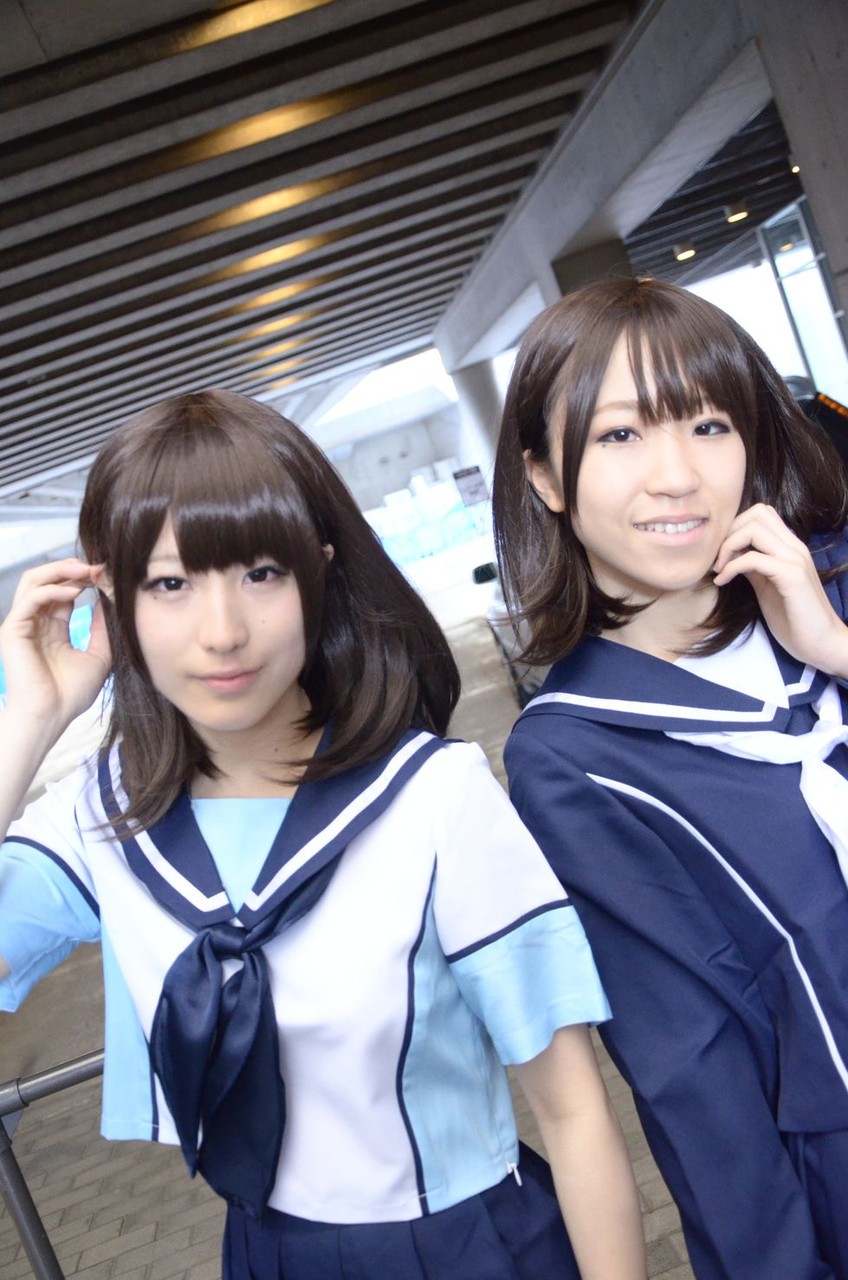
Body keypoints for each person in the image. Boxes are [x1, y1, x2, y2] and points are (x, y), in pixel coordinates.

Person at [0, 390, 646, 1280]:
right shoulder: (105, 816)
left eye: (262, 573)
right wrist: (30, 722)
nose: (223, 633)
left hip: (461, 1246)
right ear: (112, 597)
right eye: (171, 583)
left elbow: (574, 1114)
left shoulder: (431, 798)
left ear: (319, 573)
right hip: (263, 1254)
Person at [492, 274, 848, 1280]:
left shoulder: (831, 598)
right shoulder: (574, 756)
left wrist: (833, 648)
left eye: (707, 424)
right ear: (545, 476)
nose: (677, 475)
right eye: (619, 435)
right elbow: (696, 1075)